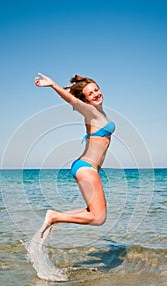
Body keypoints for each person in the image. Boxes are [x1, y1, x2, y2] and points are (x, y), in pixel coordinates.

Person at [34, 73, 115, 238]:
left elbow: (75, 97)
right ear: (86, 100)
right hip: (86, 168)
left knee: (93, 212)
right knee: (98, 218)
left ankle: (55, 218)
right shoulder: (91, 112)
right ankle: (54, 216)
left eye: (96, 90)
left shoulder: (100, 113)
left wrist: (72, 89)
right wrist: (53, 85)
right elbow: (74, 102)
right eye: (90, 94)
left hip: (85, 167)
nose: (96, 94)